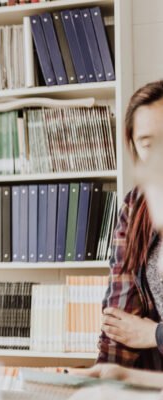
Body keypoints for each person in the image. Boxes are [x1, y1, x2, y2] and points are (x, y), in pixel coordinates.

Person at [97, 80, 163, 370]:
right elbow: (119, 315)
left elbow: (142, 332)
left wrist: (154, 334)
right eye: (148, 144)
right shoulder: (136, 205)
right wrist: (103, 378)